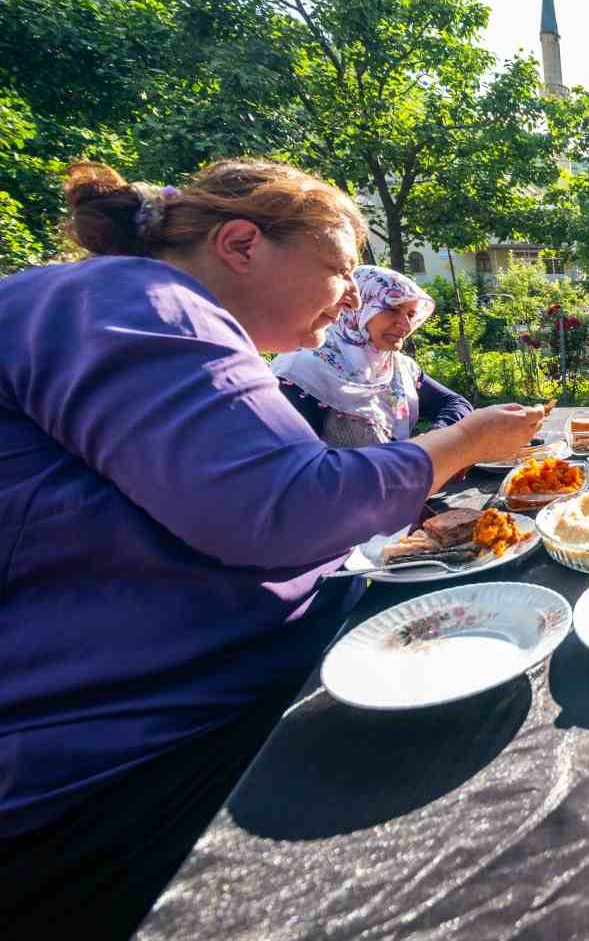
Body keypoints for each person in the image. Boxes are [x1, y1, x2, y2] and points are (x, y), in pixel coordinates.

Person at [0, 160, 543, 935]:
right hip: (114, 767)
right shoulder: (134, 302)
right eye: (340, 271)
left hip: (185, 709)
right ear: (243, 244)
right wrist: (460, 443)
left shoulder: (151, 310)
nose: (353, 298)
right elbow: (280, 505)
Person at [272, 265, 472, 446]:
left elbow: (456, 404)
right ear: (357, 309)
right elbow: (290, 465)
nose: (406, 325)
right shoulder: (301, 372)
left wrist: (434, 438)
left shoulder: (398, 368)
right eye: (392, 309)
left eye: (411, 315)